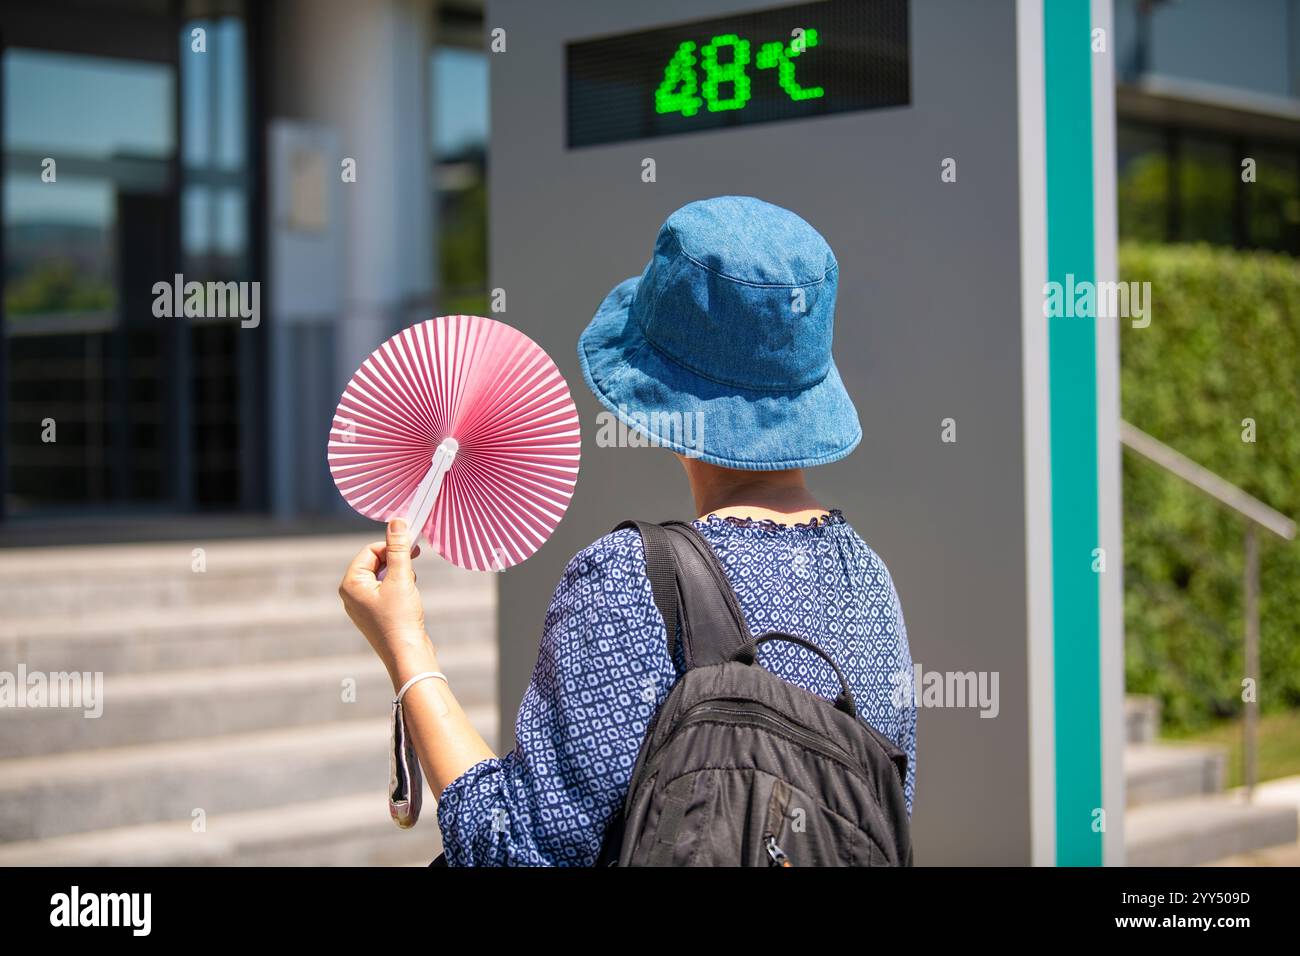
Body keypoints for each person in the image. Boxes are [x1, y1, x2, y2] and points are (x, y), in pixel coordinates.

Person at [340, 196, 916, 866]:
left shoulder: (628, 578)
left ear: (664, 402)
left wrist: (405, 647)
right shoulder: (870, 581)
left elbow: (516, 851)